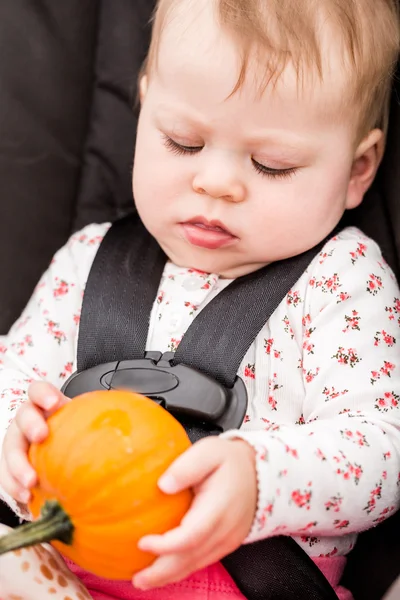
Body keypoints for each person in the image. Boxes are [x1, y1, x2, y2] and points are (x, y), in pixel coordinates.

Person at [0, 0, 400, 598]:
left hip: (243, 580)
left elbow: (383, 444)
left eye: (272, 164)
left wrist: (261, 480)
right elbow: (15, 372)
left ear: (357, 170)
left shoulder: (343, 282)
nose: (215, 183)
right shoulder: (90, 259)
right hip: (58, 568)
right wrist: (17, 430)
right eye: (182, 143)